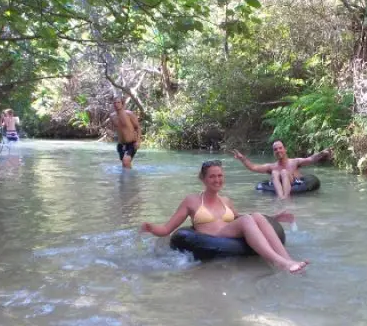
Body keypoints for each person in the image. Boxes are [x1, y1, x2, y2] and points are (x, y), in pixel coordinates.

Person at [140, 160, 309, 274]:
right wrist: (151, 228)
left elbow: (239, 217)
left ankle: (288, 260)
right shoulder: (191, 201)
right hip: (211, 238)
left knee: (255, 215)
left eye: (220, 175)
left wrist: (274, 217)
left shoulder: (226, 200)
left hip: (229, 234)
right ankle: (279, 262)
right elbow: (167, 229)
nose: (217, 179)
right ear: (203, 179)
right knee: (247, 219)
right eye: (212, 176)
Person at [232, 140, 332, 199]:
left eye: (280, 148)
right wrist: (242, 158)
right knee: (275, 172)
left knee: (284, 172)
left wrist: (322, 153)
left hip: (295, 184)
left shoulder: (295, 162)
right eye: (275, 149)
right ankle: (281, 199)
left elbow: (310, 159)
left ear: (285, 149)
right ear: (273, 152)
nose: (278, 150)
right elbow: (253, 167)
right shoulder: (271, 167)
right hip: (279, 187)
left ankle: (285, 199)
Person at [107, 96, 142, 169]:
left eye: (118, 102)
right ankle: (130, 179)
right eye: (115, 103)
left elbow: (138, 127)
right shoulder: (112, 116)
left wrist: (138, 141)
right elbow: (112, 128)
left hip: (131, 143)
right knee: (125, 164)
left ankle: (129, 179)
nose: (116, 104)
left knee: (125, 161)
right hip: (121, 144)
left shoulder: (129, 114)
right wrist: (110, 133)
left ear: (122, 104)